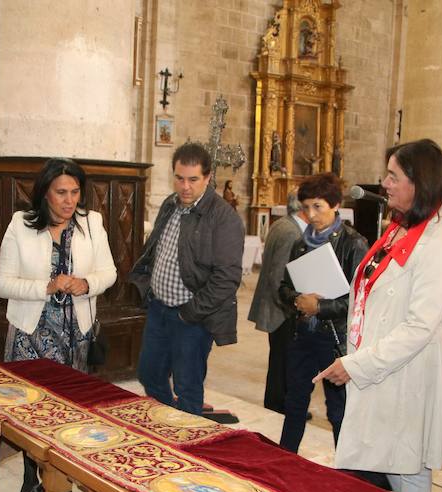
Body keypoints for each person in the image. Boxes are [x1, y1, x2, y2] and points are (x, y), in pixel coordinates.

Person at [317, 139, 442, 492]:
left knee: (407, 466)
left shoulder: (440, 243)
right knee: (389, 460)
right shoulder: (402, 226)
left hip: (411, 373)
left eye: (393, 176)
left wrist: (357, 365)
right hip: (389, 368)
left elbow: (420, 327)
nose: (384, 184)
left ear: (420, 182)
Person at [0, 157, 116, 492]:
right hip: (32, 333)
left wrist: (87, 283)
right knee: (30, 410)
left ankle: (59, 477)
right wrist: (45, 287)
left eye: (75, 192)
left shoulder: (92, 222)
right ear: (45, 193)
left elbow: (109, 272)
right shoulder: (21, 224)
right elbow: (3, 283)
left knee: (67, 410)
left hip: (76, 334)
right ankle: (29, 478)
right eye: (61, 192)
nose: (69, 201)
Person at [131, 142, 244, 415]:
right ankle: (166, 426)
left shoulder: (223, 217)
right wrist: (147, 287)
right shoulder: (170, 205)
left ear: (207, 178)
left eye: (193, 179)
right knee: (149, 374)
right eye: (179, 178)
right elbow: (155, 250)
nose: (185, 186)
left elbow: (227, 278)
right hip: (159, 309)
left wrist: (189, 313)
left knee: (188, 386)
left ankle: (186, 446)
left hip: (191, 316)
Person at [278, 173, 367, 451]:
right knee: (294, 403)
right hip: (303, 334)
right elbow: (283, 287)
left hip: (335, 339)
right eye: (307, 207)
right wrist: (297, 301)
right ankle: (284, 461)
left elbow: (360, 301)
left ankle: (346, 472)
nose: (312, 214)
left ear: (336, 204)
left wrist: (321, 307)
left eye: (319, 206)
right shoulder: (300, 243)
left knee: (337, 410)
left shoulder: (354, 243)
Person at [247, 193, 307, 414]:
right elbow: (278, 275)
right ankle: (279, 404)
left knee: (281, 358)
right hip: (282, 308)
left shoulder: (282, 224)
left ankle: (280, 401)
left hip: (278, 305)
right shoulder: (292, 232)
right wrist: (292, 306)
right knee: (283, 359)